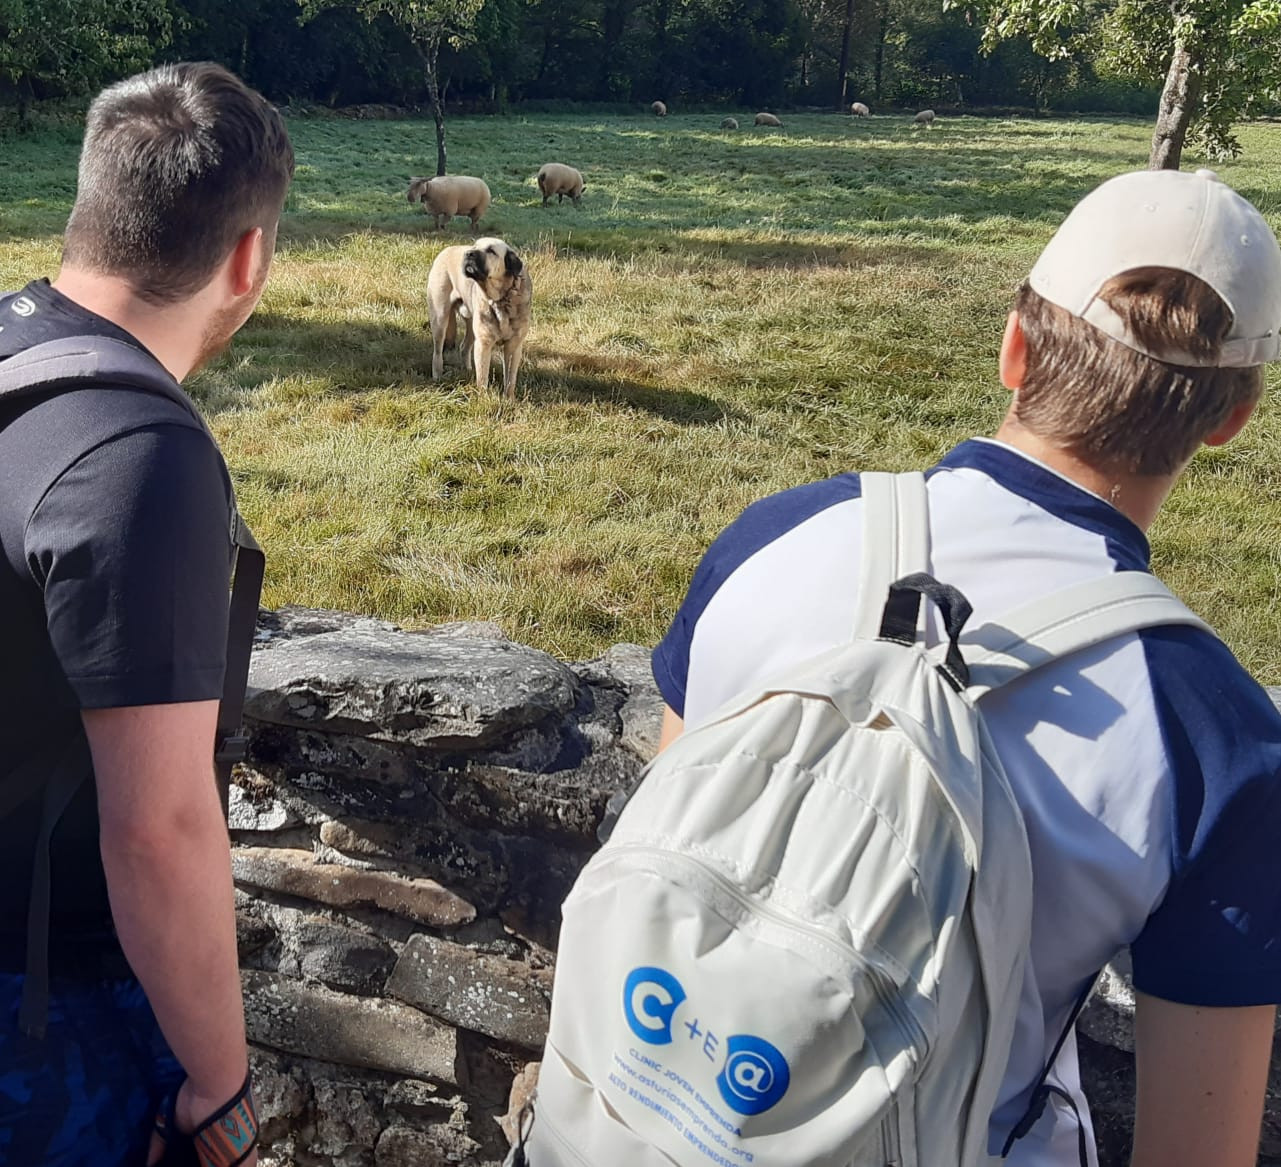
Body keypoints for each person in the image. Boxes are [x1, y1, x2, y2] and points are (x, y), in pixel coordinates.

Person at [651, 167, 1281, 1167]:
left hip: (647, 1117)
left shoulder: (770, 541)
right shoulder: (1211, 734)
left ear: (1014, 346)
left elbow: (657, 857)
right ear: (1230, 418)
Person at [0, 63, 293, 1165]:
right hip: (42, 1005)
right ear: (249, 257)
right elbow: (158, 829)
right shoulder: (138, 459)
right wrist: (223, 1094)